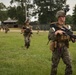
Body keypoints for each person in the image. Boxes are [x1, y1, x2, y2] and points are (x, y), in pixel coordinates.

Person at [49, 10, 73, 75]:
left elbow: (71, 37)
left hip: (65, 47)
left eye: (64, 16)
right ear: (59, 17)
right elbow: (50, 37)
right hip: (57, 48)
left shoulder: (67, 27)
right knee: (54, 65)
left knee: (69, 64)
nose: (64, 18)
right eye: (63, 16)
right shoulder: (53, 27)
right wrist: (56, 33)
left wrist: (72, 38)